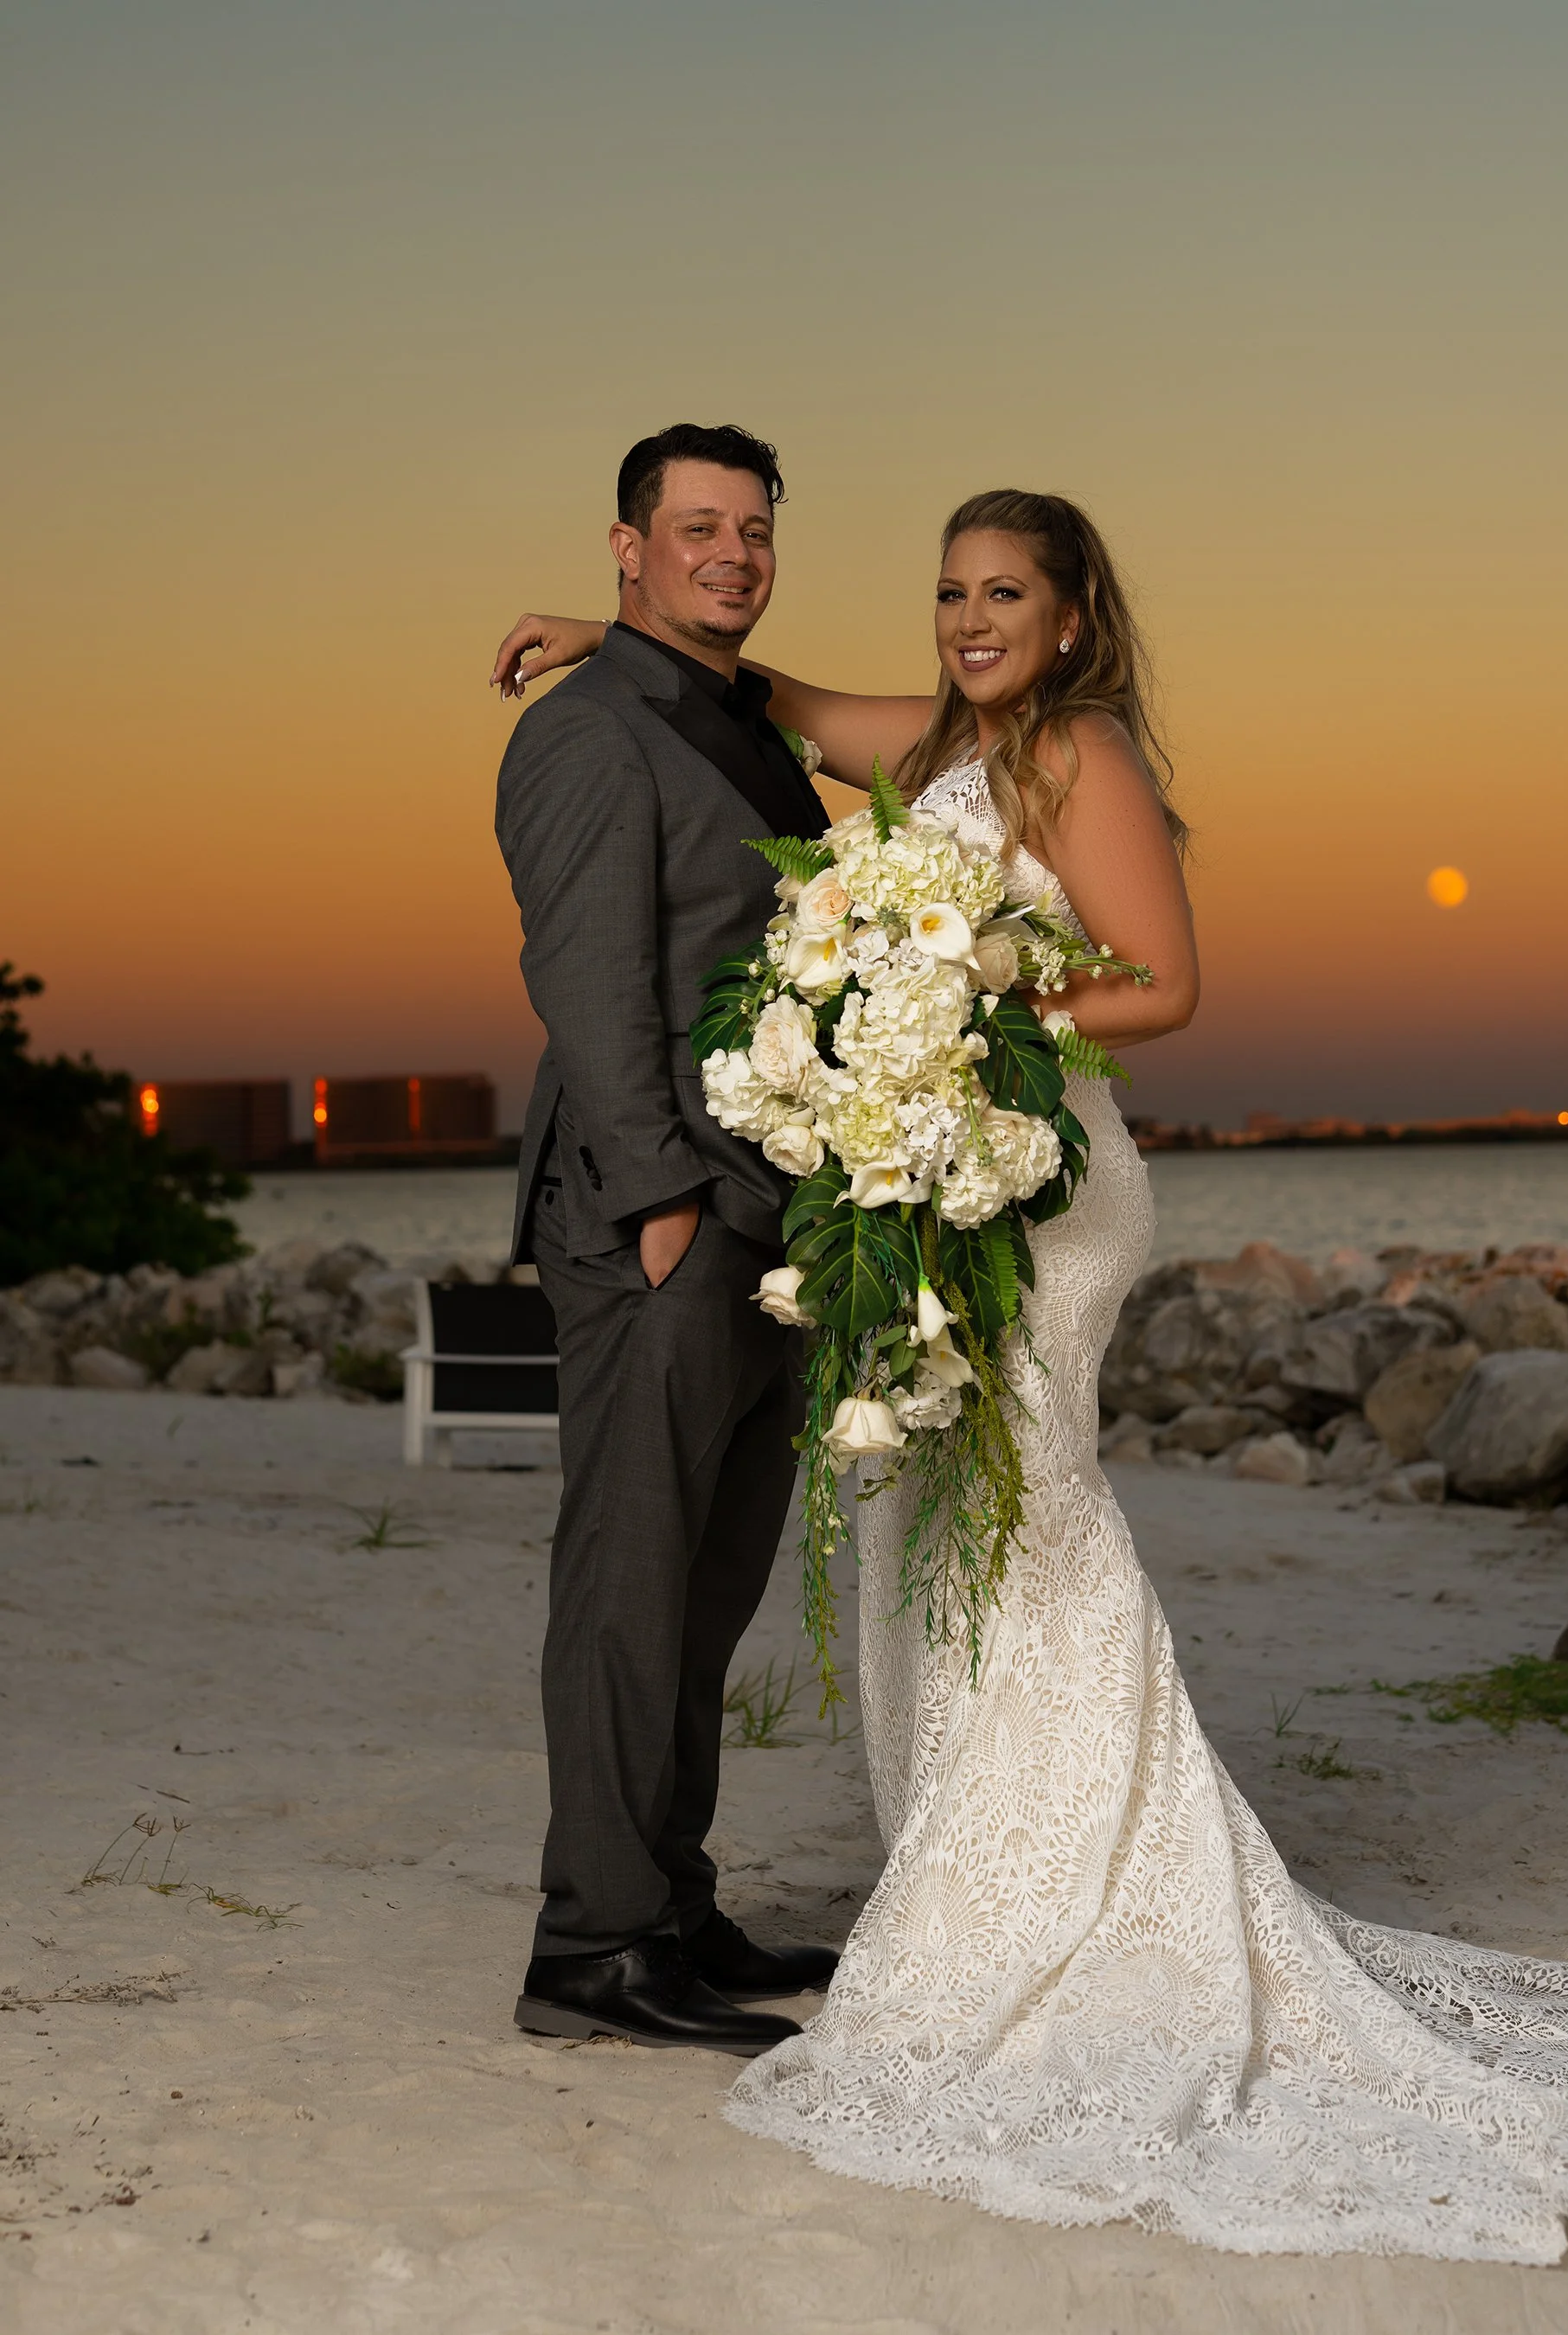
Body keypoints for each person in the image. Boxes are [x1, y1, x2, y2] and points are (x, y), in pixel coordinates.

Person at [490, 490, 1568, 2258]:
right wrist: (608, 632)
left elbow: (1167, 985)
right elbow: (777, 702)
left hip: (1041, 1186)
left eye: (1006, 593)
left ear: (1072, 619)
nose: (971, 617)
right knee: (927, 1523)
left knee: (1023, 1511)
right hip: (953, 1169)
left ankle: (1064, 1909)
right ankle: (962, 1903)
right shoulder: (951, 737)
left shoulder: (1076, 752)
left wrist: (968, 998)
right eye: (949, 590)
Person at [494, 422, 839, 2058]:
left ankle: (672, 1902)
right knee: (632, 1583)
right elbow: (585, 980)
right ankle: (595, 1950)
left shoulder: (725, 715)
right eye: (697, 526)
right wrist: (660, 1200)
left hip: (761, 1214)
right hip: (660, 1214)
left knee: (709, 1580)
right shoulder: (585, 737)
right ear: (625, 544)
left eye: (754, 529)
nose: (734, 553)